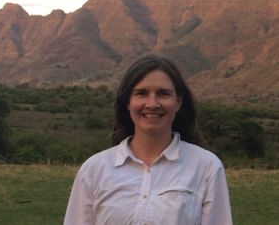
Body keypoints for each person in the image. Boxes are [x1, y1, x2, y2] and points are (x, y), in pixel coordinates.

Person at [64, 55, 233, 225]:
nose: (152, 104)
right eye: (141, 93)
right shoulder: (95, 169)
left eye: (163, 94)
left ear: (178, 102)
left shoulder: (206, 167)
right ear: (128, 102)